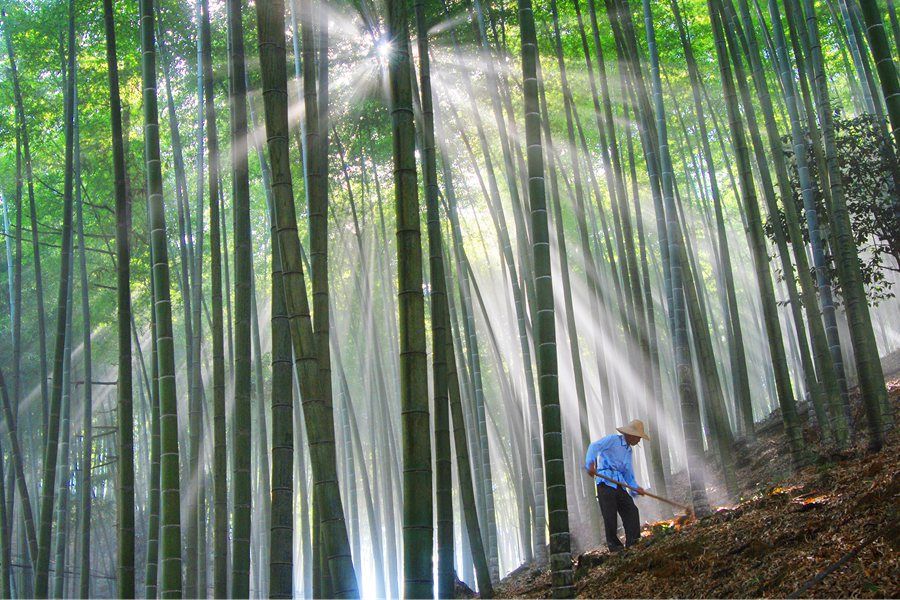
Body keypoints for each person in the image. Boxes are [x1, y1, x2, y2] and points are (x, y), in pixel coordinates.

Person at [584, 419, 650, 552]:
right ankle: (615, 547)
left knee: (631, 510)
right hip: (606, 482)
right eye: (638, 437)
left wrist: (635, 488)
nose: (639, 441)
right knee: (610, 515)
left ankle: (633, 542)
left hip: (619, 484)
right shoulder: (613, 440)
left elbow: (628, 473)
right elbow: (594, 446)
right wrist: (590, 463)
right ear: (631, 435)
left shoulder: (628, 451)